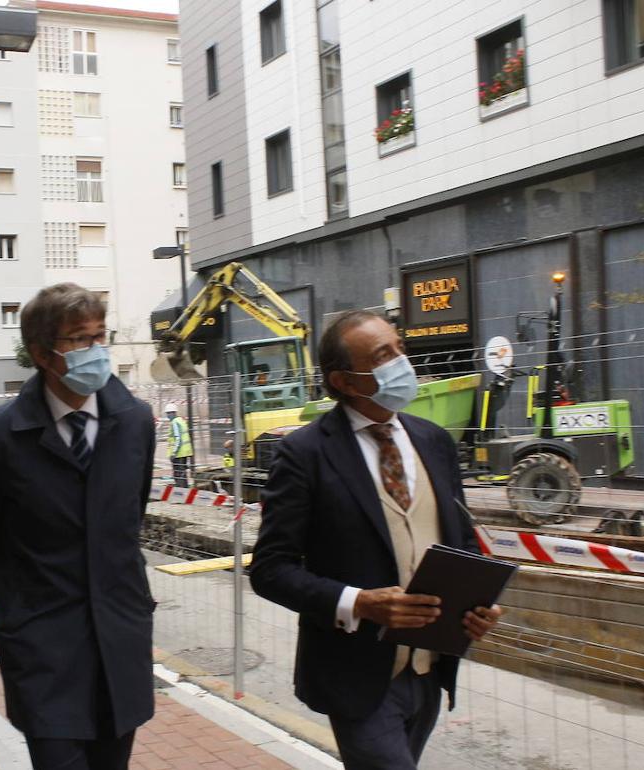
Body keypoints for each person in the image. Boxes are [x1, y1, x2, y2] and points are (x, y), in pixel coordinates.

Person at [249, 310, 502, 770]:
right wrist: (359, 602)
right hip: (356, 674)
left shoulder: (435, 442)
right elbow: (270, 570)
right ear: (344, 381)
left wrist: (478, 604)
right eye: (383, 356)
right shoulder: (305, 454)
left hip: (430, 668)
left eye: (399, 348)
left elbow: (461, 543)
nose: (400, 362)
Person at [0, 283, 156, 770]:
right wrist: (23, 618)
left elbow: (129, 521)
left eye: (99, 336)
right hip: (45, 649)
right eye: (78, 340)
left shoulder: (135, 422)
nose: (95, 351)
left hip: (119, 640)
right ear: (42, 354)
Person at [163, 403, 192, 488]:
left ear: (174, 413)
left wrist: (173, 453)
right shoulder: (181, 420)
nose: (168, 415)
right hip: (185, 452)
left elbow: (178, 438)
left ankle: (181, 493)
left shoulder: (175, 422)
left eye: (169, 413)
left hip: (179, 453)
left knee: (178, 473)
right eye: (167, 413)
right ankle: (185, 491)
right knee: (182, 473)